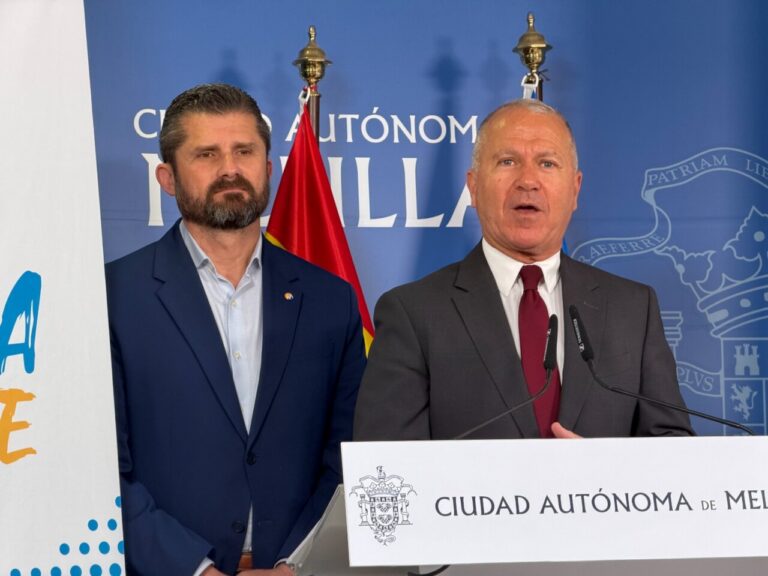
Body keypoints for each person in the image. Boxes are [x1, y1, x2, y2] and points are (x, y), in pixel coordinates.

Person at [107, 83, 365, 575]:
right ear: (167, 177)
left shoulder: (331, 300)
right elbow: (104, 469)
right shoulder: (112, 297)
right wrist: (196, 569)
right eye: (206, 154)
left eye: (244, 151)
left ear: (268, 168)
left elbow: (348, 457)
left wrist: (294, 564)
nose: (229, 168)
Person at [354, 98, 692, 441]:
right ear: (473, 186)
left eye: (547, 163)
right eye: (507, 161)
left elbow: (673, 447)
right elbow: (387, 467)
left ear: (575, 190)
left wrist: (603, 471)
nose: (527, 180)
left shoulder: (632, 308)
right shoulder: (413, 313)